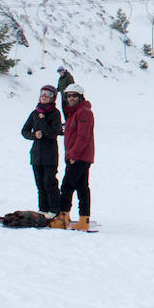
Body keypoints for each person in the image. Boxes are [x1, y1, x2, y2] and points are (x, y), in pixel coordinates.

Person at [21, 84, 64, 217]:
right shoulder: (35, 113)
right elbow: (24, 131)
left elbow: (53, 133)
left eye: (48, 94)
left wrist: (43, 121)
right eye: (42, 93)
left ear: (53, 98)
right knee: (40, 184)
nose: (44, 96)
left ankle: (54, 210)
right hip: (36, 155)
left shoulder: (55, 113)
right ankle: (43, 210)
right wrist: (34, 135)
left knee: (49, 183)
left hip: (49, 154)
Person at [59, 83, 95, 230]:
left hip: (79, 157)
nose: (71, 98)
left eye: (74, 95)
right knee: (81, 187)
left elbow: (82, 136)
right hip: (78, 156)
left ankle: (63, 218)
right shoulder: (73, 113)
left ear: (80, 97)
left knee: (67, 186)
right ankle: (84, 219)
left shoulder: (84, 112)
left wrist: (74, 155)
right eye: (69, 96)